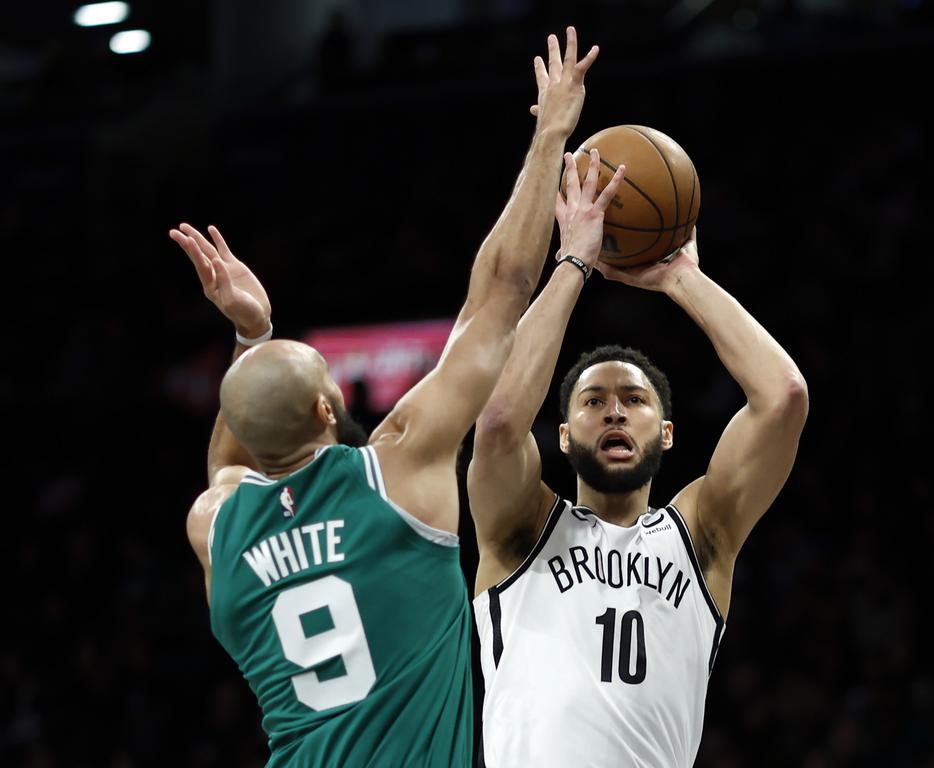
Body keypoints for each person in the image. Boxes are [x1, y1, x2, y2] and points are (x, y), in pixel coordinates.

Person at [170, 27, 624, 768]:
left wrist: (252, 336)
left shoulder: (215, 524)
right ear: (327, 411)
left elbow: (227, 461)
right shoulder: (397, 473)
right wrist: (550, 136)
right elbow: (501, 297)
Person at [468, 160, 809, 766]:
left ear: (669, 434)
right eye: (594, 402)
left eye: (634, 401)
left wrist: (681, 278)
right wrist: (573, 261)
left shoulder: (701, 534)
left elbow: (783, 397)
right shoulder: (522, 529)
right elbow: (496, 421)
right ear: (566, 437)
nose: (615, 413)